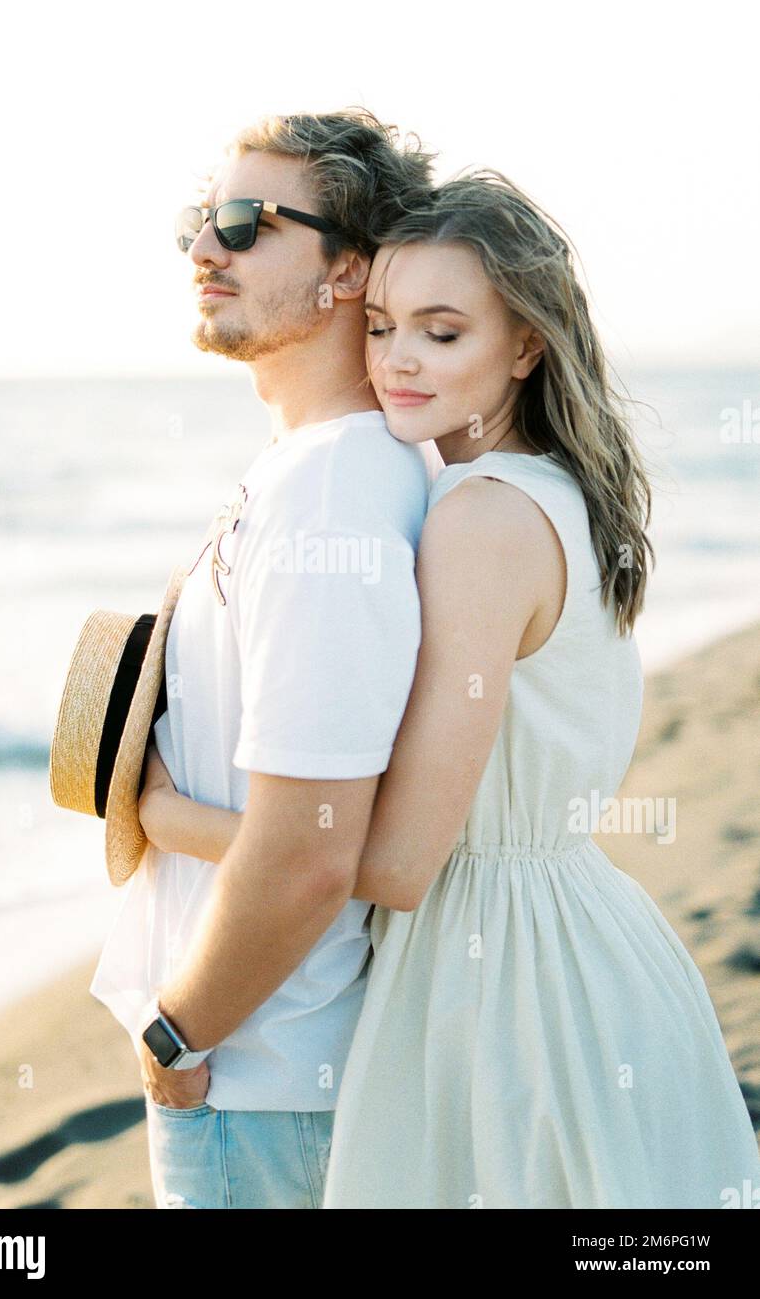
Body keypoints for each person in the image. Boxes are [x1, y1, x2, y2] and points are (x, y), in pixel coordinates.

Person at [142, 169, 760, 1208]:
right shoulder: (552, 490)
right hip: (578, 940)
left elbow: (390, 862)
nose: (395, 363)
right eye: (381, 326)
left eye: (440, 332)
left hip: (503, 983)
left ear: (523, 345)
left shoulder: (475, 522)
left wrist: (163, 812)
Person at [89, 108, 439, 1209]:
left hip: (257, 1072)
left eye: (245, 223)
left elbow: (314, 852)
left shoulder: (332, 487)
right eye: (202, 219)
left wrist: (179, 1030)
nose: (205, 248)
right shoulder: (310, 468)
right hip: (256, 1064)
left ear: (347, 269)